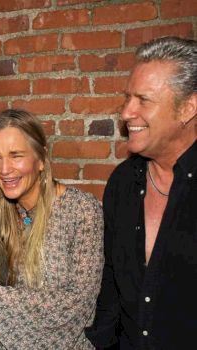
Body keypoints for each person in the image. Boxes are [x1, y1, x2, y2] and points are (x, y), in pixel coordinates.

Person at [84, 36, 197, 349]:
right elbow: (110, 298)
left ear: (188, 107)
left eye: (143, 100)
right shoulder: (123, 182)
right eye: (127, 98)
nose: (126, 113)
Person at [0, 109, 104, 349]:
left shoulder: (81, 210)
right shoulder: (0, 215)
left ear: (41, 159)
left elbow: (80, 306)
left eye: (16, 155)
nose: (4, 169)